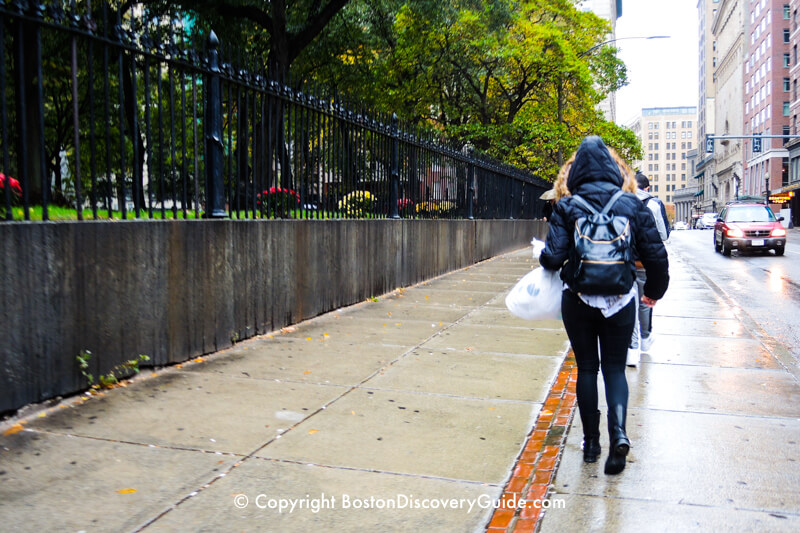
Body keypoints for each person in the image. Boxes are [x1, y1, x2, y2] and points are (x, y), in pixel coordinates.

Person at [539, 136, 669, 475]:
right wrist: (653, 291)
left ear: (576, 170)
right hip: (621, 299)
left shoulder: (567, 207)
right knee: (614, 369)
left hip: (578, 299)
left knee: (586, 369)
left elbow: (552, 259)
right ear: (615, 169)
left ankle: (592, 444)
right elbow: (656, 255)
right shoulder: (632, 205)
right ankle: (620, 435)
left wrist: (547, 255)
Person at [627, 172, 669, 366]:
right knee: (644, 303)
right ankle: (644, 340)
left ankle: (632, 348)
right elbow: (662, 234)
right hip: (644, 262)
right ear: (647, 188)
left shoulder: (622, 201)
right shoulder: (653, 204)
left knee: (629, 303)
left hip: (625, 260)